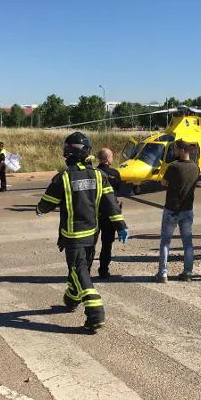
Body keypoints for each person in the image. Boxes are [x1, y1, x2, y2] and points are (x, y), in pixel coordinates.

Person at [36, 132, 129, 332]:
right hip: (91, 234)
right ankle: (71, 298)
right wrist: (120, 225)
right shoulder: (99, 175)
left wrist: (40, 210)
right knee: (81, 269)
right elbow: (111, 204)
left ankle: (95, 312)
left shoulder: (63, 178)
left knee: (80, 271)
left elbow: (45, 206)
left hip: (72, 235)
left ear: (68, 152)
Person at [155, 140, 200, 283]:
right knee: (187, 243)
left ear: (182, 151)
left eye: (175, 149)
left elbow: (163, 182)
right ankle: (188, 272)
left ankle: (162, 273)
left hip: (171, 209)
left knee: (165, 242)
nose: (174, 152)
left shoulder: (173, 166)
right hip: (187, 210)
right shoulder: (195, 167)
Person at [96, 148, 122, 278]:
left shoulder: (93, 173)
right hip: (110, 213)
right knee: (107, 244)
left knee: (90, 244)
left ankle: (86, 270)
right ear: (107, 159)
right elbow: (118, 189)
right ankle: (103, 270)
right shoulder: (115, 173)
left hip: (95, 212)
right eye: (112, 156)